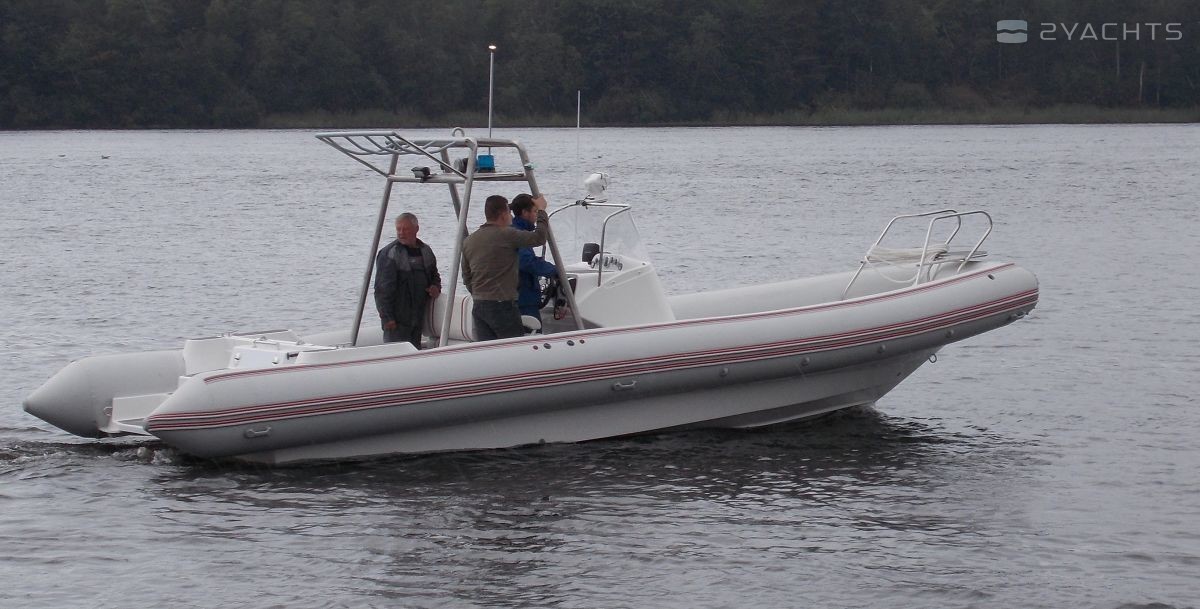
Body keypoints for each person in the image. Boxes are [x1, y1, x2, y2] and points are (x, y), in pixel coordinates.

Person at [461, 193, 550, 341]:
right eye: (509, 212)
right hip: (503, 305)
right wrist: (541, 211)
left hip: (479, 306)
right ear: (503, 214)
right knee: (514, 348)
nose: (511, 216)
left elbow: (466, 276)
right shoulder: (508, 235)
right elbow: (539, 237)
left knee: (488, 349)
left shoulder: (469, 241)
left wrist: (479, 294)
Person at [374, 212, 442, 348]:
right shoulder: (389, 254)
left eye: (405, 229)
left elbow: (435, 276)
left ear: (416, 229)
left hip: (418, 318)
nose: (401, 233)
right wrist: (387, 318)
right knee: (396, 353)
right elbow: (381, 290)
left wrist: (435, 287)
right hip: (396, 321)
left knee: (415, 351)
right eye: (398, 229)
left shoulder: (426, 251)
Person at [509, 193, 558, 324]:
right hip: (523, 299)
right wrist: (555, 270)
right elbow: (527, 262)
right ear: (525, 213)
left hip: (518, 296)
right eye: (535, 211)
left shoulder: (514, 230)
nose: (536, 216)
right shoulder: (518, 234)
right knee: (531, 332)